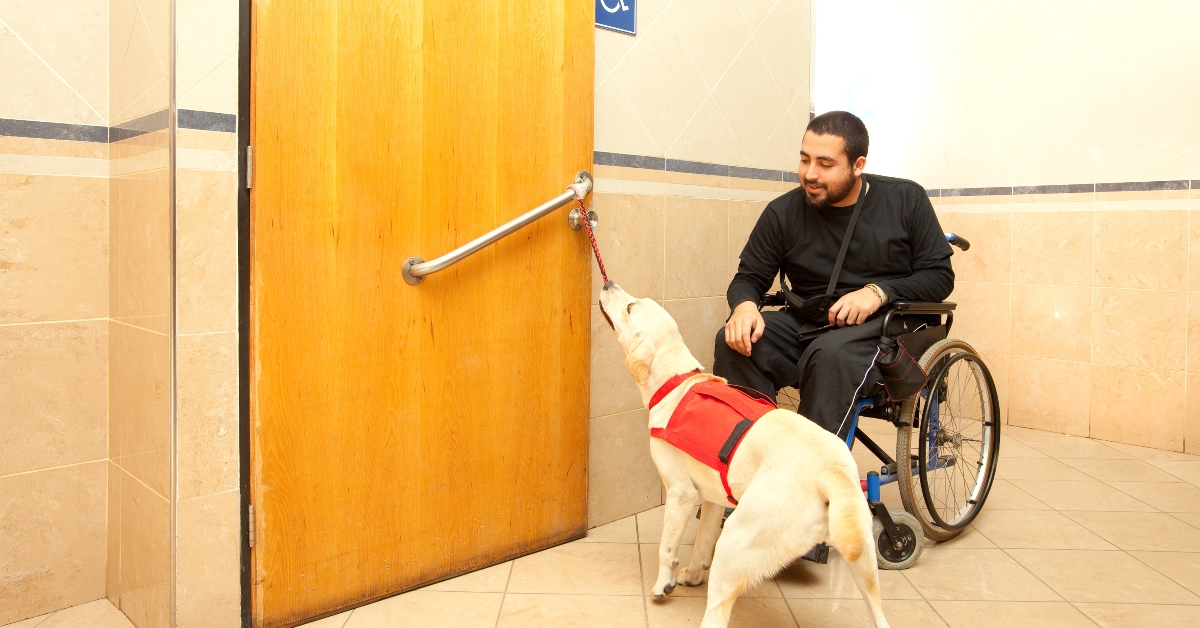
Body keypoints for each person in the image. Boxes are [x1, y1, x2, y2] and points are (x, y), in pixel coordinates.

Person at [713, 111, 954, 438]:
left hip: (885, 328)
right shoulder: (782, 213)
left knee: (829, 355)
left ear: (858, 165)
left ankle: (811, 474)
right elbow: (748, 279)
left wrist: (877, 293)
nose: (810, 174)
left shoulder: (906, 200)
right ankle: (755, 452)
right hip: (808, 324)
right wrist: (744, 308)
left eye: (825, 164)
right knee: (735, 342)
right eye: (804, 160)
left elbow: (940, 277)